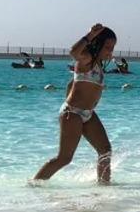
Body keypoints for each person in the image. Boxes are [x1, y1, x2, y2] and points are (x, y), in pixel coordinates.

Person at [35, 23, 116, 183]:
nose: (111, 51)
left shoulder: (98, 65)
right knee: (64, 158)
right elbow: (74, 52)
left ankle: (104, 188)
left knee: (105, 150)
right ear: (96, 44)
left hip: (88, 114)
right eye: (107, 47)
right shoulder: (86, 59)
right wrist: (89, 35)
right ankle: (34, 185)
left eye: (112, 47)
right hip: (73, 113)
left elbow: (71, 85)